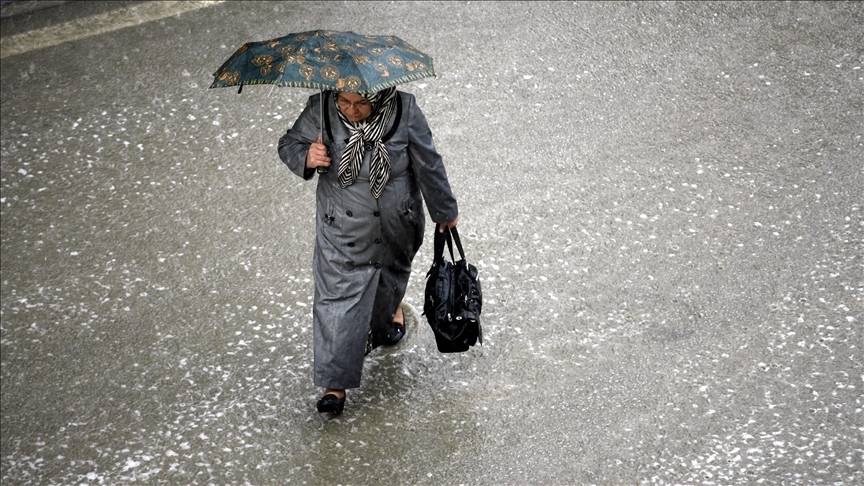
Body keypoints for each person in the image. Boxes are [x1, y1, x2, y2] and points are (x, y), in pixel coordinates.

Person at [278, 87, 459, 416]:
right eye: (345, 102)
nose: (352, 110)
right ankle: (335, 386)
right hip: (341, 227)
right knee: (336, 298)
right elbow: (289, 144)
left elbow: (428, 162)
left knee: (387, 280)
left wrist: (445, 212)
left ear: (378, 97)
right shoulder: (320, 108)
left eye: (361, 103)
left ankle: (388, 316)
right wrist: (307, 156)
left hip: (396, 222)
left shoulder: (405, 110)